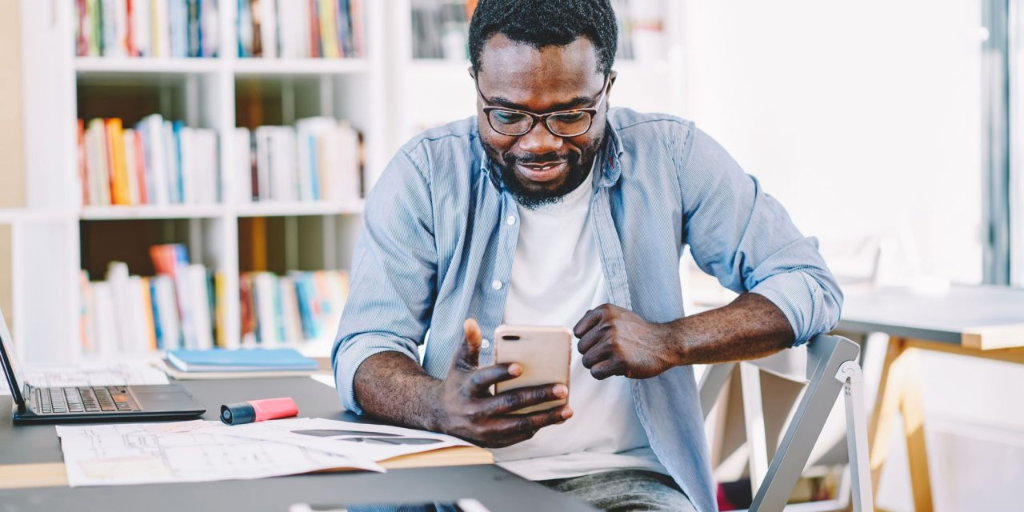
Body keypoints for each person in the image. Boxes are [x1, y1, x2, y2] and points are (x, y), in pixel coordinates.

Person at [332, 0, 842, 510]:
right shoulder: (424, 174)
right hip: (453, 474)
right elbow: (366, 345)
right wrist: (438, 407)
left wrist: (671, 340)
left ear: (608, 90)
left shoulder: (673, 155)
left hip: (626, 482)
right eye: (507, 114)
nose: (537, 143)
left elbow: (806, 282)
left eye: (569, 115)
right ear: (477, 86)